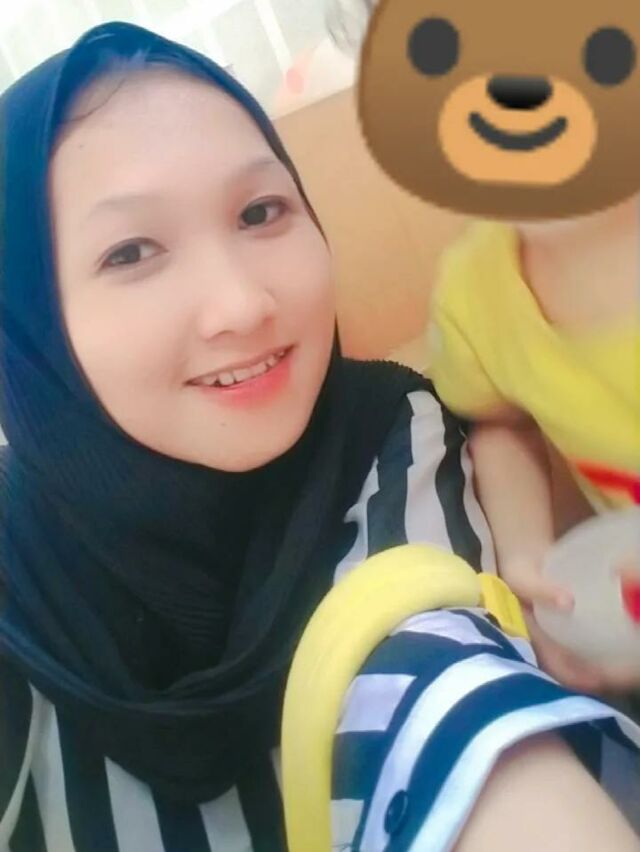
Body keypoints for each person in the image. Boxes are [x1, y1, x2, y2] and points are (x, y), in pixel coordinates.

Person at [0, 22, 638, 852]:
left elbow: (443, 681)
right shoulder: (483, 295)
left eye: (261, 210)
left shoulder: (395, 439)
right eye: (131, 252)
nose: (242, 305)